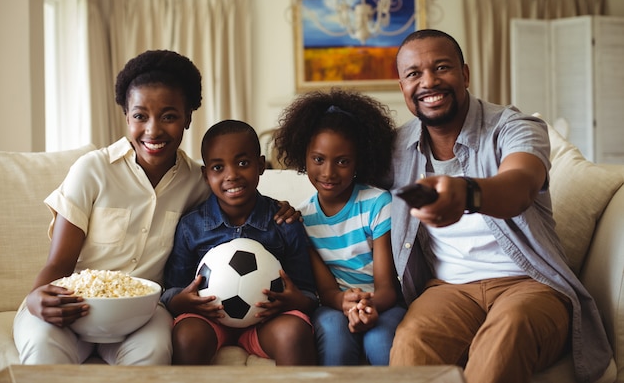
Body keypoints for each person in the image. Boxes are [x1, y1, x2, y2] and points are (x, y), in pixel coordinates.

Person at [13, 50, 298, 366]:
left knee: (155, 352)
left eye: (169, 116)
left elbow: (239, 197)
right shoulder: (92, 170)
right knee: (43, 351)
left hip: (140, 314)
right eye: (140, 116)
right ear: (126, 115)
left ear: (188, 118)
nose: (153, 130)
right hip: (74, 305)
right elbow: (59, 263)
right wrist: (38, 296)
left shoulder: (197, 181)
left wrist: (281, 209)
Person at [385, 29, 612, 383]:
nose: (429, 82)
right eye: (414, 74)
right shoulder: (397, 147)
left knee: (510, 329)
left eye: (441, 67)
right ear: (403, 88)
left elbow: (519, 184)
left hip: (530, 283)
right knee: (412, 341)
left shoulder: (515, 127)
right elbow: (341, 184)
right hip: (447, 289)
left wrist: (466, 194)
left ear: (465, 74)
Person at [162, 119, 318, 366]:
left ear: (260, 165)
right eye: (218, 167)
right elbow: (172, 290)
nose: (232, 175)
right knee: (187, 336)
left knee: (293, 333)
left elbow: (309, 292)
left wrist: (296, 300)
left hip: (268, 322)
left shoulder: (284, 222)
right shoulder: (191, 227)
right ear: (205, 175)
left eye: (243, 163)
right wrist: (182, 300)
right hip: (208, 321)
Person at [273, 88, 406, 366]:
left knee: (379, 342)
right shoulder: (303, 219)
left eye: (343, 161)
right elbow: (327, 290)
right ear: (303, 157)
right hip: (334, 305)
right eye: (318, 159)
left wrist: (367, 306)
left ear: (359, 161)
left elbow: (387, 288)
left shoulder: (377, 203)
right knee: (335, 338)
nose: (329, 173)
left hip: (382, 302)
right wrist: (344, 303)